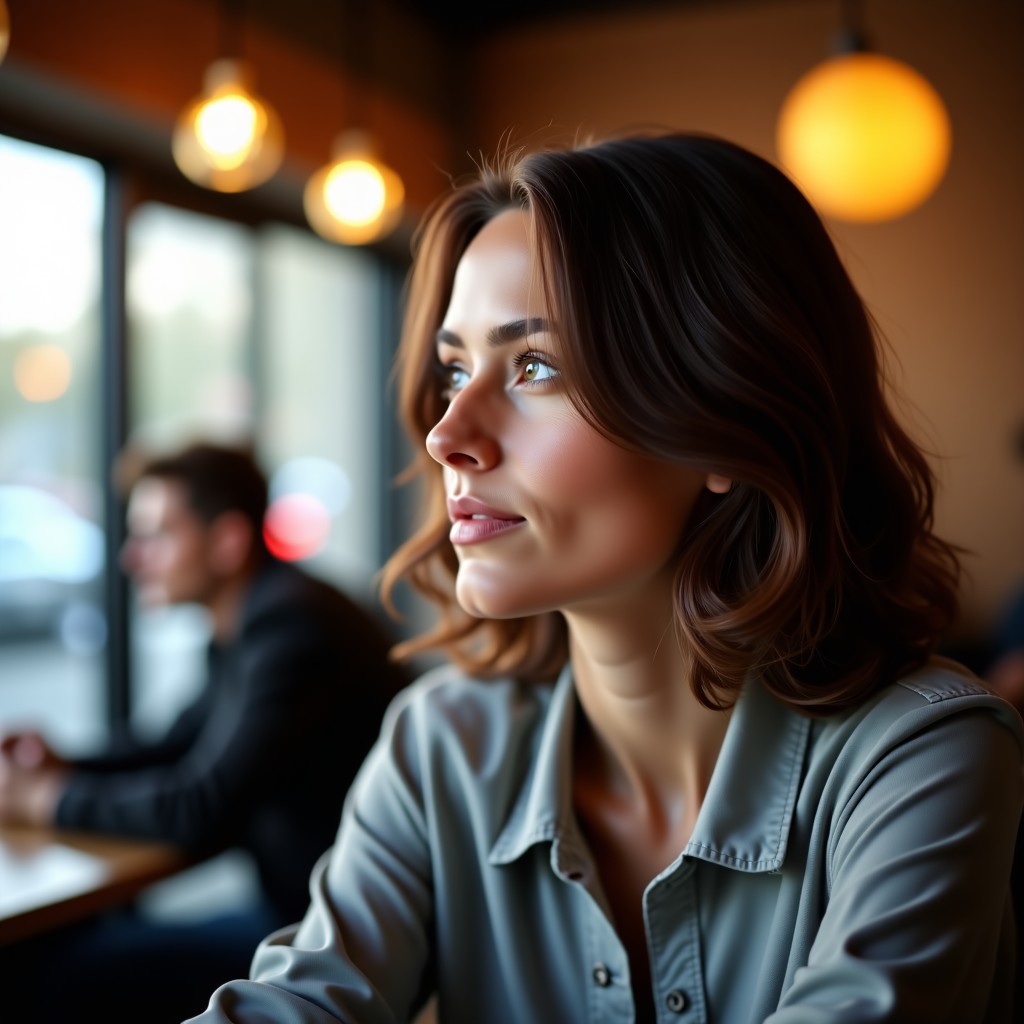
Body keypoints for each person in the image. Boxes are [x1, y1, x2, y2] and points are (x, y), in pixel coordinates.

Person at [184, 134, 1023, 1024]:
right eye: (456, 370)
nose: (446, 435)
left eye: (535, 366)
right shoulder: (442, 748)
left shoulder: (924, 758)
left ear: (720, 417)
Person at [0, 441, 412, 1021]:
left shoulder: (290, 629)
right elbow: (174, 742)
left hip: (335, 947)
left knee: (44, 973)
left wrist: (44, 798)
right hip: (313, 919)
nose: (132, 557)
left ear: (228, 542)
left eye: (157, 535)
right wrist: (59, 764)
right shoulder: (259, 618)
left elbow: (201, 805)